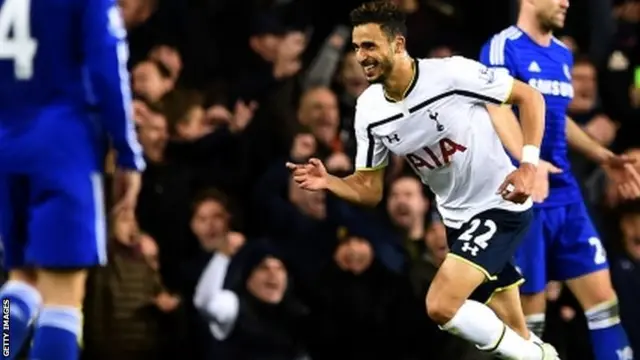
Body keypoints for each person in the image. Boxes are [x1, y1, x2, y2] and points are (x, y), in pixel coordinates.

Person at [288, 1, 558, 359]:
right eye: (356, 47)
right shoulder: (369, 110)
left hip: (500, 203)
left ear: (398, 44)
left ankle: (536, 355)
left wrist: (528, 165)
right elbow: (369, 189)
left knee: (441, 305)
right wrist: (331, 182)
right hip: (456, 220)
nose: (361, 56)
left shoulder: (451, 74)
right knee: (514, 333)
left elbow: (530, 97)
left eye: (369, 46)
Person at [480, 1, 640, 359]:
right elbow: (496, 108)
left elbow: (557, 118)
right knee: (528, 319)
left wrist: (603, 155)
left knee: (604, 303)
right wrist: (528, 163)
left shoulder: (563, 55)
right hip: (522, 196)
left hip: (565, 192)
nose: (567, 1)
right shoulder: (502, 46)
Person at [0, 0, 144, 359]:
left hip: (6, 146)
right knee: (64, 298)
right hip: (64, 149)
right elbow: (107, 69)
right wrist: (127, 154)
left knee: (22, 282)